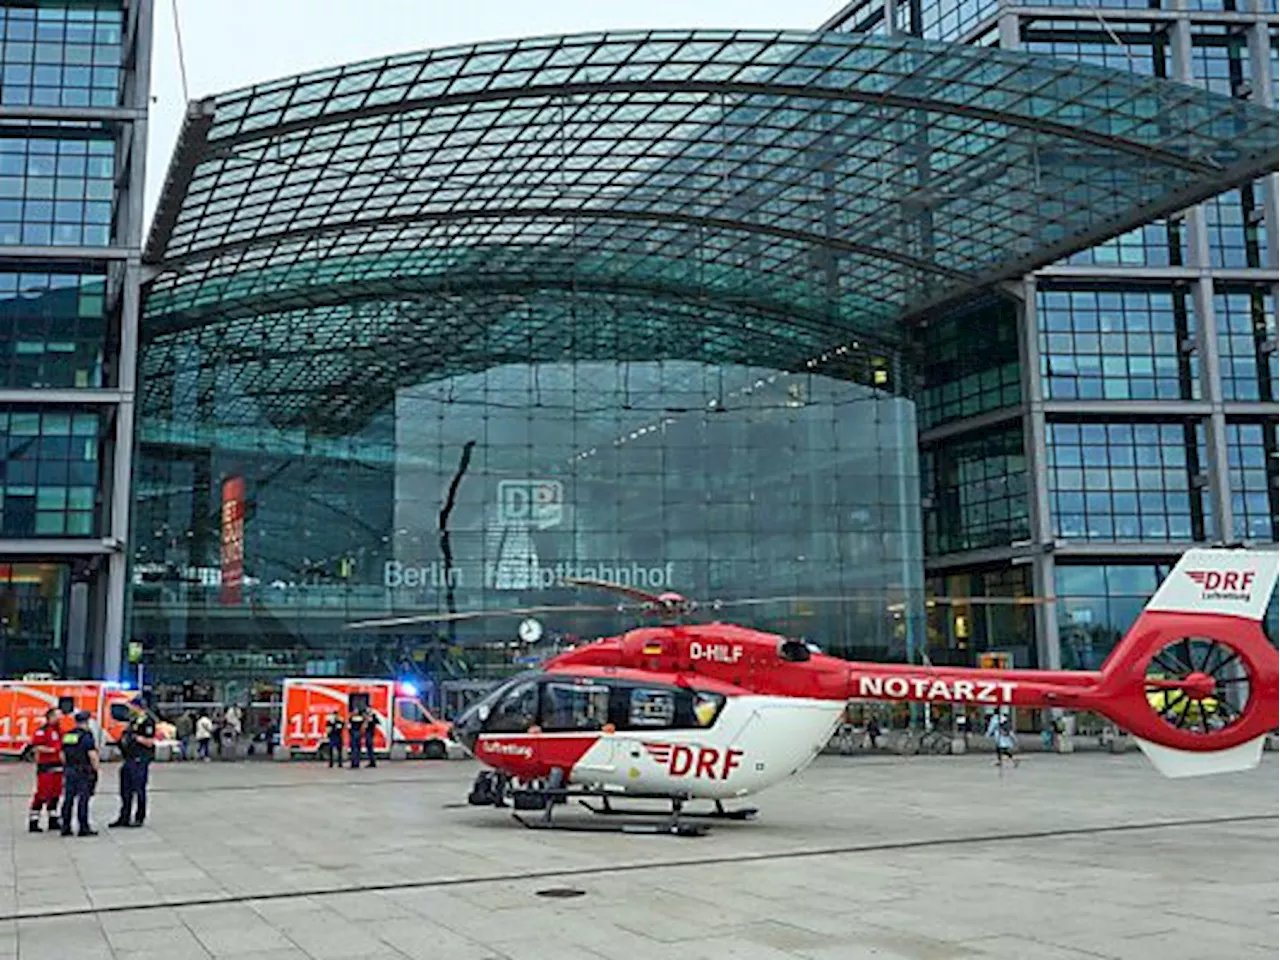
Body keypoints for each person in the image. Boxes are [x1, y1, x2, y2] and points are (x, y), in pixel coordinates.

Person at [110, 697, 156, 828]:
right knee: (125, 790)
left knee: (139, 789)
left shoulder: (148, 721)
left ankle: (139, 817)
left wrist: (136, 738)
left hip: (140, 759)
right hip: (129, 758)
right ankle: (124, 816)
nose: (130, 709)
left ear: (138, 707)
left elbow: (150, 741)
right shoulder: (133, 721)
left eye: (131, 707)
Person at [59, 710, 99, 837]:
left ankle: (66, 827)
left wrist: (67, 766)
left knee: (68, 799)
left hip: (70, 770)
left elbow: (62, 754)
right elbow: (92, 755)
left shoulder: (69, 735)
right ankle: (83, 827)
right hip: (83, 771)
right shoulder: (87, 736)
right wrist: (95, 769)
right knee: (83, 799)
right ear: (87, 722)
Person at [28, 707, 64, 833]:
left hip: (58, 765)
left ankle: (53, 820)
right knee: (43, 793)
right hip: (46, 766)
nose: (61, 717)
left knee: (56, 793)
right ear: (51, 716)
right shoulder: (42, 731)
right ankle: (34, 821)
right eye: (58, 715)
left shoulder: (60, 730)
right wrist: (52, 750)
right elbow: (36, 747)